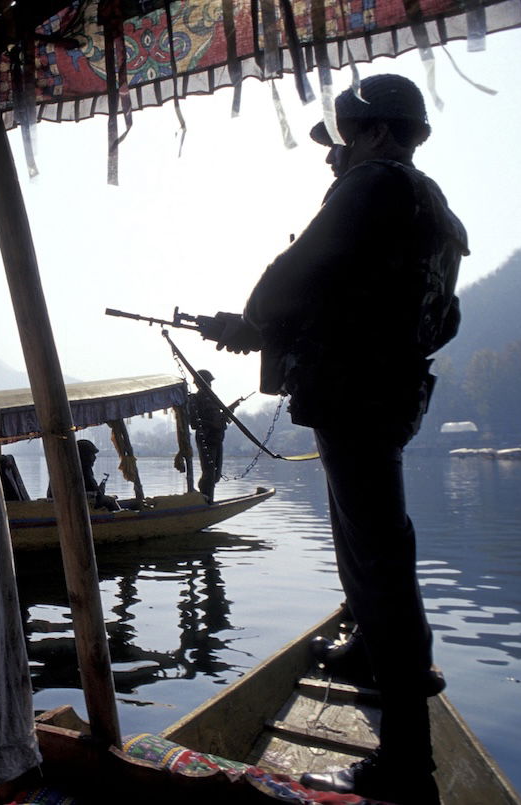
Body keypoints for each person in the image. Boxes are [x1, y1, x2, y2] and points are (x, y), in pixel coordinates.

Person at [216, 74, 467, 804]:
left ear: (380, 133)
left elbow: (290, 280)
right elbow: (436, 319)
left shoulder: (374, 186)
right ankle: (365, 646)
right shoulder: (437, 212)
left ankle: (405, 765)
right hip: (385, 397)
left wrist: (255, 317)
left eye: (346, 139)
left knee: (380, 556)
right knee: (372, 541)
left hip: (355, 395)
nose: (336, 156)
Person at [187, 369, 242, 502]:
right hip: (206, 438)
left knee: (216, 475)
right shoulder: (194, 399)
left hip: (217, 438)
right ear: (200, 383)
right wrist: (212, 424)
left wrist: (231, 408)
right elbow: (193, 422)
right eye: (208, 382)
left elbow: (220, 418)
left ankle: (205, 496)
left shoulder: (213, 398)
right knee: (209, 473)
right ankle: (206, 499)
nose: (210, 385)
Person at [45, 439, 118, 511]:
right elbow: (97, 494)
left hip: (59, 504)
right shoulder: (83, 469)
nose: (95, 458)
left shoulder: (61, 467)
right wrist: (101, 490)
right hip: (74, 506)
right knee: (111, 501)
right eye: (92, 454)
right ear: (84, 455)